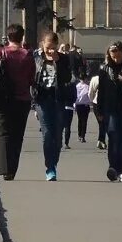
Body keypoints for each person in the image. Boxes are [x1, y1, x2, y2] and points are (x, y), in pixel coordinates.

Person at [0, 23, 37, 181]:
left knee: (1, 133)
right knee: (17, 135)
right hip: (21, 99)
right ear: (22, 37)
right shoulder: (27, 54)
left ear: (8, 37)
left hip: (0, 99)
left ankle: (4, 169)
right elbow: (32, 78)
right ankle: (12, 169)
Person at [94, 40, 122, 181]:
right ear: (109, 53)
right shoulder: (104, 68)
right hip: (110, 108)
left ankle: (121, 171)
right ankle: (113, 167)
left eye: (118, 52)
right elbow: (100, 91)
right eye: (112, 53)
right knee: (113, 136)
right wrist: (99, 111)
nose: (116, 56)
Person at [32, 31, 72, 180]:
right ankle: (50, 167)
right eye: (47, 47)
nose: (50, 50)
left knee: (57, 135)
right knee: (47, 133)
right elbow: (31, 80)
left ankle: (54, 162)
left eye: (53, 47)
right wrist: (33, 103)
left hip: (59, 100)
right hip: (42, 100)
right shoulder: (36, 58)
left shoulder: (64, 59)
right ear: (42, 44)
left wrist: (58, 62)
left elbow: (68, 78)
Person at [74, 73, 92, 145]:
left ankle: (79, 135)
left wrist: (74, 105)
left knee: (80, 120)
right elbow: (90, 95)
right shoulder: (87, 86)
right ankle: (82, 136)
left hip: (78, 105)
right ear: (85, 79)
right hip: (85, 105)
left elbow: (75, 96)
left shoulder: (77, 86)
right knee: (84, 121)